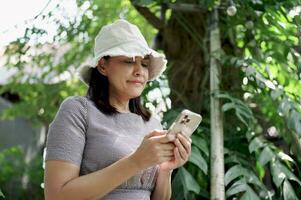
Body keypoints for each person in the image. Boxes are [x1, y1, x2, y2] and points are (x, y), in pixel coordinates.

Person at [44, 19, 192, 200]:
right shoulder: (78, 111)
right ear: (103, 65)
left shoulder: (152, 123)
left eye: (144, 64)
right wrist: (136, 161)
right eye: (129, 61)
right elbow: (56, 195)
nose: (139, 71)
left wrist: (166, 170)